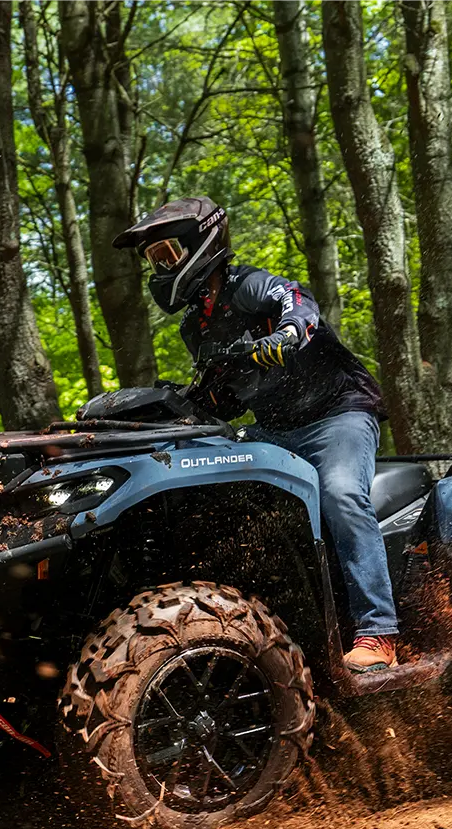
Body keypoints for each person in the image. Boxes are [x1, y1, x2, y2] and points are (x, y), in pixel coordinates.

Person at [113, 196, 399, 672]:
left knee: (342, 493)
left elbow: (299, 303)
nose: (159, 268)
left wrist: (287, 333)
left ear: (199, 244)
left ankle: (378, 632)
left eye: (165, 255)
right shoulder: (194, 326)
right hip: (271, 431)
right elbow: (225, 396)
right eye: (153, 260)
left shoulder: (251, 286)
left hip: (337, 416)